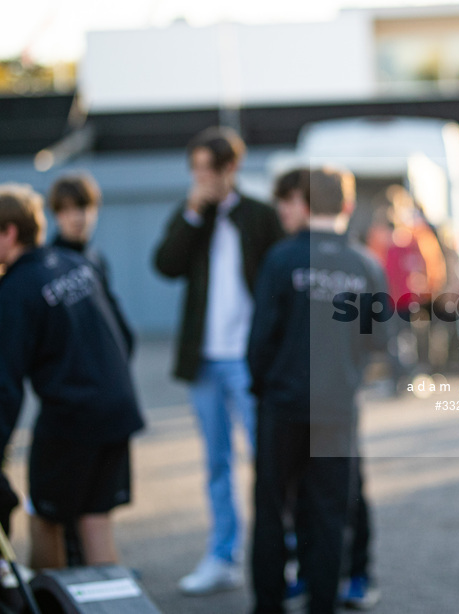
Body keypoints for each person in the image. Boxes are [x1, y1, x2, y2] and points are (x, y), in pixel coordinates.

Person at [248, 167, 389, 614]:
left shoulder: (281, 259)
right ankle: (321, 604)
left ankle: (269, 603)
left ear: (304, 205)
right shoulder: (365, 264)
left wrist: (263, 387)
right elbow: (379, 342)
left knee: (272, 508)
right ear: (347, 207)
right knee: (330, 513)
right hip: (336, 408)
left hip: (284, 405)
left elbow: (259, 340)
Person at [153, 126, 284, 595]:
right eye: (194, 171)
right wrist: (191, 214)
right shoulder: (193, 215)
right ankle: (222, 556)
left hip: (249, 360)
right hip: (203, 360)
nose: (200, 179)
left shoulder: (262, 217)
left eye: (206, 170)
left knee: (268, 460)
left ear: (231, 168)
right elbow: (165, 266)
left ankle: (280, 554)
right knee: (216, 463)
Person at [0, 183, 144, 570]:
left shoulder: (14, 290)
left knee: (45, 519)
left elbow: (5, 385)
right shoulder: (75, 263)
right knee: (94, 521)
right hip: (118, 410)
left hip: (73, 420)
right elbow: (125, 338)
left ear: (9, 233)